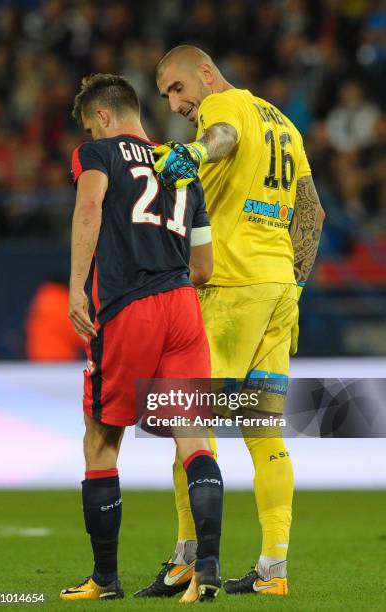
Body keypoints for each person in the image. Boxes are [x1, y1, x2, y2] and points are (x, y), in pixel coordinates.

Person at [134, 45, 325, 598]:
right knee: (263, 433)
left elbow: (223, 140)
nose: (174, 103)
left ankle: (189, 560)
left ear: (207, 73)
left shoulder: (226, 108)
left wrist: (194, 152)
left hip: (229, 289)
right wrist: (292, 284)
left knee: (185, 419)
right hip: (277, 289)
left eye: (177, 88)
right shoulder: (284, 123)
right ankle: (273, 569)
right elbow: (312, 211)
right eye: (166, 94)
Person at [60, 73, 223, 603]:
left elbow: (89, 208)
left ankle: (105, 580)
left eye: (89, 124)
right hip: (182, 307)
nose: (89, 132)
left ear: (103, 118)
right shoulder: (182, 166)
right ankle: (209, 570)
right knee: (194, 441)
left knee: (102, 441)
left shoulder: (98, 154)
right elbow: (204, 265)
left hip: (129, 308)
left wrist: (77, 290)